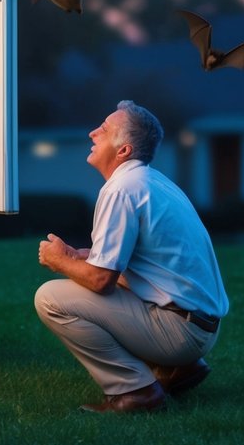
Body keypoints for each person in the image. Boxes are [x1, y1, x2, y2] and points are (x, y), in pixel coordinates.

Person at [34, 100, 229, 413]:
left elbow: (101, 281)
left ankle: (136, 391)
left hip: (181, 332)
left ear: (123, 150)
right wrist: (78, 256)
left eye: (104, 129)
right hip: (199, 327)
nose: (92, 132)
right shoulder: (151, 181)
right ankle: (174, 369)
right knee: (92, 283)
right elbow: (126, 264)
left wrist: (58, 261)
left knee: (50, 298)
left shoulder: (122, 189)